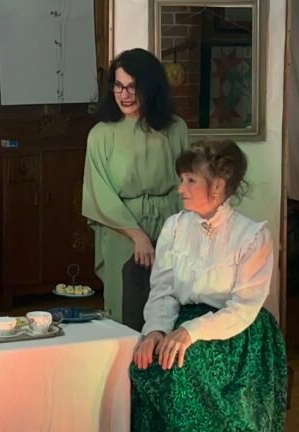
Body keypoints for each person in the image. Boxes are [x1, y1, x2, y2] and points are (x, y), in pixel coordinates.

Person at [130, 141, 288, 431]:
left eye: (190, 180)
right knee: (144, 361)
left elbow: (243, 309)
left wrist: (191, 332)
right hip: (183, 320)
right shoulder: (175, 227)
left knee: (181, 367)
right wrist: (155, 330)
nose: (180, 188)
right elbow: (163, 289)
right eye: (181, 179)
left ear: (217, 186)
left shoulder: (252, 236)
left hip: (238, 332)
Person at [82, 48, 189, 330]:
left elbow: (187, 183)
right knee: (126, 309)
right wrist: (137, 235)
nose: (125, 95)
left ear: (150, 88)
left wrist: (180, 232)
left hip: (169, 224)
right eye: (118, 86)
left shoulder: (176, 129)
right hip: (123, 230)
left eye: (133, 87)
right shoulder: (101, 134)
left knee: (170, 305)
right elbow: (99, 194)